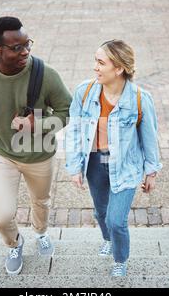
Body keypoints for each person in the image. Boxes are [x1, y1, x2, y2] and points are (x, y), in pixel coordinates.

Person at [0, 16, 72, 275]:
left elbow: (68, 111)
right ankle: (15, 243)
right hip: (2, 154)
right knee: (2, 216)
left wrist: (36, 123)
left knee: (41, 201)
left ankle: (41, 232)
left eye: (28, 44)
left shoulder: (45, 74)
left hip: (39, 155)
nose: (25, 51)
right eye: (16, 47)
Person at [65, 39, 162, 277]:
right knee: (101, 213)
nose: (95, 67)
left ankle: (120, 258)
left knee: (116, 220)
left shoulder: (139, 99)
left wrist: (151, 171)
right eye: (95, 61)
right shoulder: (84, 92)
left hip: (126, 166)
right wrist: (75, 167)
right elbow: (75, 131)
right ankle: (107, 239)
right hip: (95, 164)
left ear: (118, 68)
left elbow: (149, 137)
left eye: (100, 62)